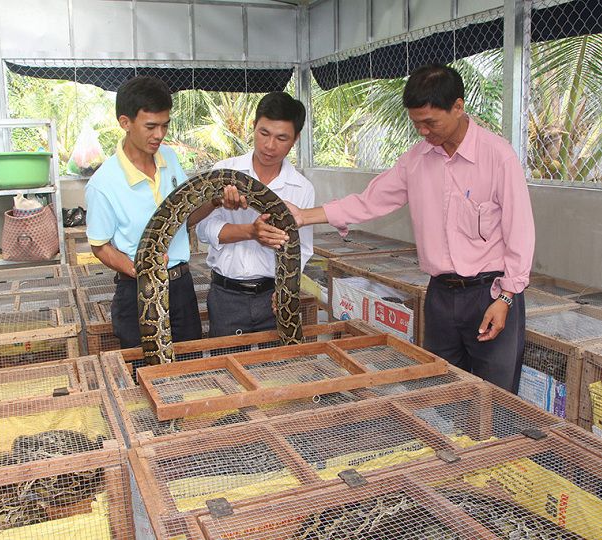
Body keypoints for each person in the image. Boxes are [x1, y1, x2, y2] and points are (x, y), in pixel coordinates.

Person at [287, 64, 534, 393]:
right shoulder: (416, 161)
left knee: (495, 394)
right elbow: (368, 201)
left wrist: (506, 296)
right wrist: (304, 216)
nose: (422, 132)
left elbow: (520, 233)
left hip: (489, 295)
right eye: (416, 123)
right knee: (441, 388)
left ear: (458, 107)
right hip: (440, 296)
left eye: (429, 122)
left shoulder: (498, 157)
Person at [85, 76, 227, 349]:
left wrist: (215, 202)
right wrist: (141, 272)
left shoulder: (170, 159)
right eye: (150, 126)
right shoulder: (104, 184)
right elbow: (100, 246)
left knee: (190, 370)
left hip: (181, 286)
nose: (159, 135)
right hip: (137, 290)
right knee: (145, 375)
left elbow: (184, 219)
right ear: (125, 122)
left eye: (164, 125)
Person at [195, 92, 315, 337]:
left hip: (272, 297)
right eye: (264, 133)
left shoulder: (302, 188)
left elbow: (301, 249)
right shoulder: (224, 172)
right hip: (226, 296)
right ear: (254, 127)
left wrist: (285, 292)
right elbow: (202, 231)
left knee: (277, 370)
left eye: (282, 138)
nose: (270, 146)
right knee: (225, 370)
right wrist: (249, 231)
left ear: (295, 139)